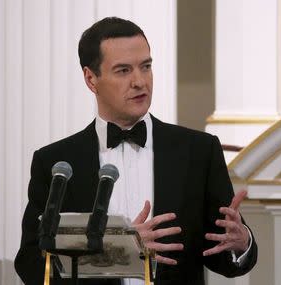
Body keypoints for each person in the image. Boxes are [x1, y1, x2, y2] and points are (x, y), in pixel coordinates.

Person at [14, 17, 257, 285]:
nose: (140, 81)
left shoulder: (199, 151)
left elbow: (222, 256)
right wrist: (117, 251)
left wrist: (241, 242)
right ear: (91, 79)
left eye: (146, 66)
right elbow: (31, 263)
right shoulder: (56, 162)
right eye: (123, 70)